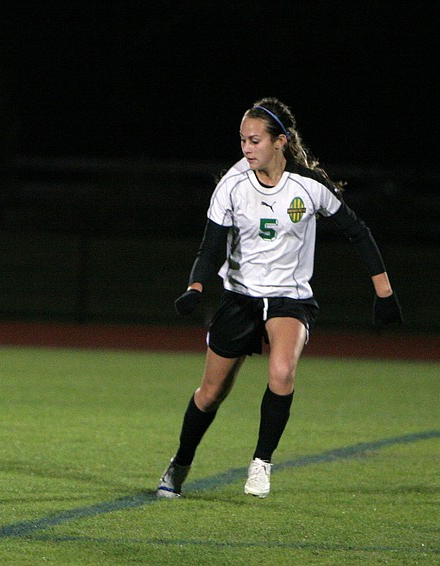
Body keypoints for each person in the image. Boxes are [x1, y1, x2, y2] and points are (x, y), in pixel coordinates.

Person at [156, 97, 402, 500]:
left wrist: (384, 293)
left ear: (280, 142)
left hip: (290, 299)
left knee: (282, 372)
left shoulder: (309, 187)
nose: (247, 148)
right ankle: (180, 463)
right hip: (240, 297)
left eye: (255, 140)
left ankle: (261, 462)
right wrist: (196, 287)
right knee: (211, 394)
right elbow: (211, 246)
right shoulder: (232, 186)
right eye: (242, 141)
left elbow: (359, 232)